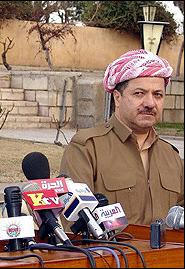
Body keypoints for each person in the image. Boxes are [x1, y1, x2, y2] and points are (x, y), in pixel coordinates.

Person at [59, 49, 184, 226]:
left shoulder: (171, 155)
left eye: (158, 94)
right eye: (139, 93)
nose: (150, 103)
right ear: (117, 98)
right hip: (110, 253)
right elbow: (74, 224)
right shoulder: (87, 147)